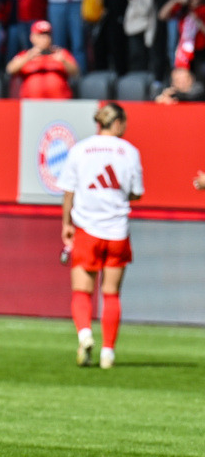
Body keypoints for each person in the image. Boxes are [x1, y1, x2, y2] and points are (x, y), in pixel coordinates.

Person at [58, 103, 143, 369]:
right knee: (111, 294)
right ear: (116, 123)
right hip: (117, 231)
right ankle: (108, 352)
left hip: (87, 229)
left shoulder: (80, 149)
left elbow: (68, 192)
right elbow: (136, 192)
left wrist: (66, 224)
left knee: (82, 291)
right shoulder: (130, 152)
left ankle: (85, 334)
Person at [6, 19, 80, 98]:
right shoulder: (25, 54)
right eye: (40, 35)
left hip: (59, 104)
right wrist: (27, 58)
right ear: (32, 37)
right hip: (31, 104)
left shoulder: (60, 53)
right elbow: (10, 70)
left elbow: (76, 72)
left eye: (47, 34)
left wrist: (64, 61)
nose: (44, 38)